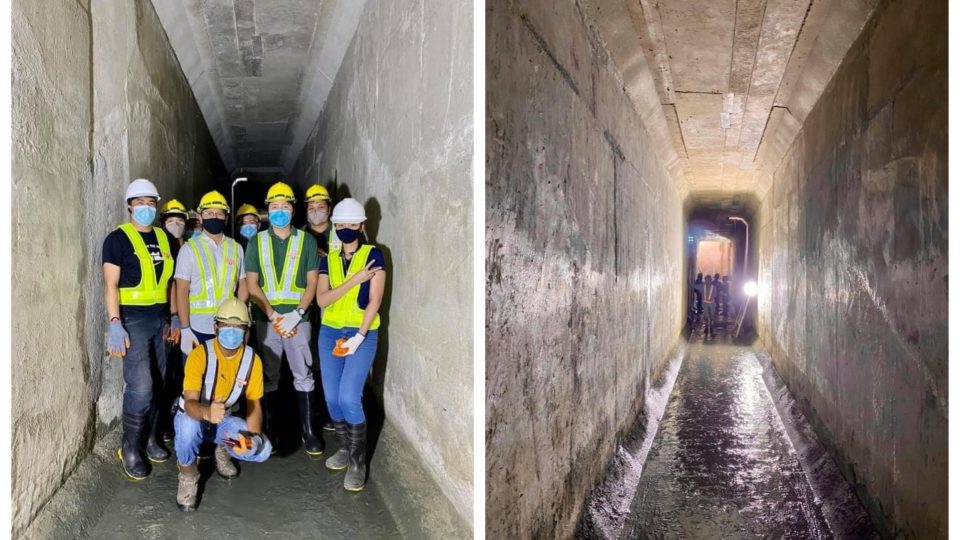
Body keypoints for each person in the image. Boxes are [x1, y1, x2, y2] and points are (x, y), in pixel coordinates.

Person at [102, 178, 176, 480]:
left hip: (160, 319)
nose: (146, 207)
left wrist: (173, 317)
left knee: (159, 383)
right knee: (141, 386)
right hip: (132, 319)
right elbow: (110, 285)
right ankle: (129, 447)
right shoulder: (117, 239)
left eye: (151, 202)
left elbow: (169, 282)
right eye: (140, 202)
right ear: (130, 205)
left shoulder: (165, 237)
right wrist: (115, 323)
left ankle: (149, 438)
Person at [245, 181, 323, 456]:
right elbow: (252, 284)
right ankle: (272, 430)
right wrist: (272, 314)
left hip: (299, 320)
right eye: (274, 207)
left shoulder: (307, 241)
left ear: (293, 209)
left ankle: (309, 433)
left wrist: (298, 313)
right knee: (270, 375)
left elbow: (312, 282)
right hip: (268, 320)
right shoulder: (257, 241)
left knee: (304, 375)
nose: (279, 211)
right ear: (268, 210)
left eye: (285, 206)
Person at [174, 298, 271, 512]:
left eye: (239, 327)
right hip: (196, 416)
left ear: (247, 331)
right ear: (215, 327)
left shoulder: (252, 361)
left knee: (262, 450)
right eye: (227, 326)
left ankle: (223, 450)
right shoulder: (200, 355)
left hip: (223, 420)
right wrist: (207, 412)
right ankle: (189, 475)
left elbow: (254, 404)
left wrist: (253, 438)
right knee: (187, 428)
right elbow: (190, 403)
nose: (232, 331)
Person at [316, 198, 385, 491]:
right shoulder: (327, 260)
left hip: (362, 333)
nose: (346, 228)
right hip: (330, 333)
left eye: (351, 224)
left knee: (348, 397)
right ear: (335, 226)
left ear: (361, 225)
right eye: (340, 224)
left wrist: (359, 336)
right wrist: (355, 280)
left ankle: (358, 462)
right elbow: (322, 299)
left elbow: (375, 301)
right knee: (332, 398)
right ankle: (345, 447)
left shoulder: (375, 255)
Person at [175, 190, 248, 360]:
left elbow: (243, 285)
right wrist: (185, 328)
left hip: (228, 327)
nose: (214, 216)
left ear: (226, 218)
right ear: (200, 217)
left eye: (219, 213)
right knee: (196, 380)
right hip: (197, 327)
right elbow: (181, 291)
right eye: (208, 213)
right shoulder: (189, 249)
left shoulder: (236, 248)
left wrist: (239, 318)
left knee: (226, 378)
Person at [703, 275, 718, 339]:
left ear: (711, 280)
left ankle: (711, 328)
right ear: (705, 280)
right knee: (706, 316)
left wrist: (711, 298)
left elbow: (715, 295)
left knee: (712, 317)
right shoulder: (702, 287)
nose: (708, 281)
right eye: (706, 280)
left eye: (709, 280)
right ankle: (706, 328)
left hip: (712, 304)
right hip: (705, 304)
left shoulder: (713, 287)